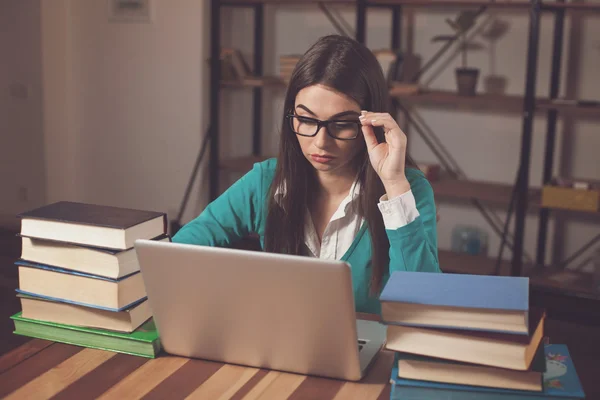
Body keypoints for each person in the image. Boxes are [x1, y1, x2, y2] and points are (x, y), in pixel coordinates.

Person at [173, 34, 441, 314]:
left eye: (342, 124)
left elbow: (421, 305)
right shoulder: (265, 181)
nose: (321, 142)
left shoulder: (408, 190)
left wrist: (394, 183)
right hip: (282, 349)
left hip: (373, 355)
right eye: (306, 120)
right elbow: (181, 251)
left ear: (370, 123)